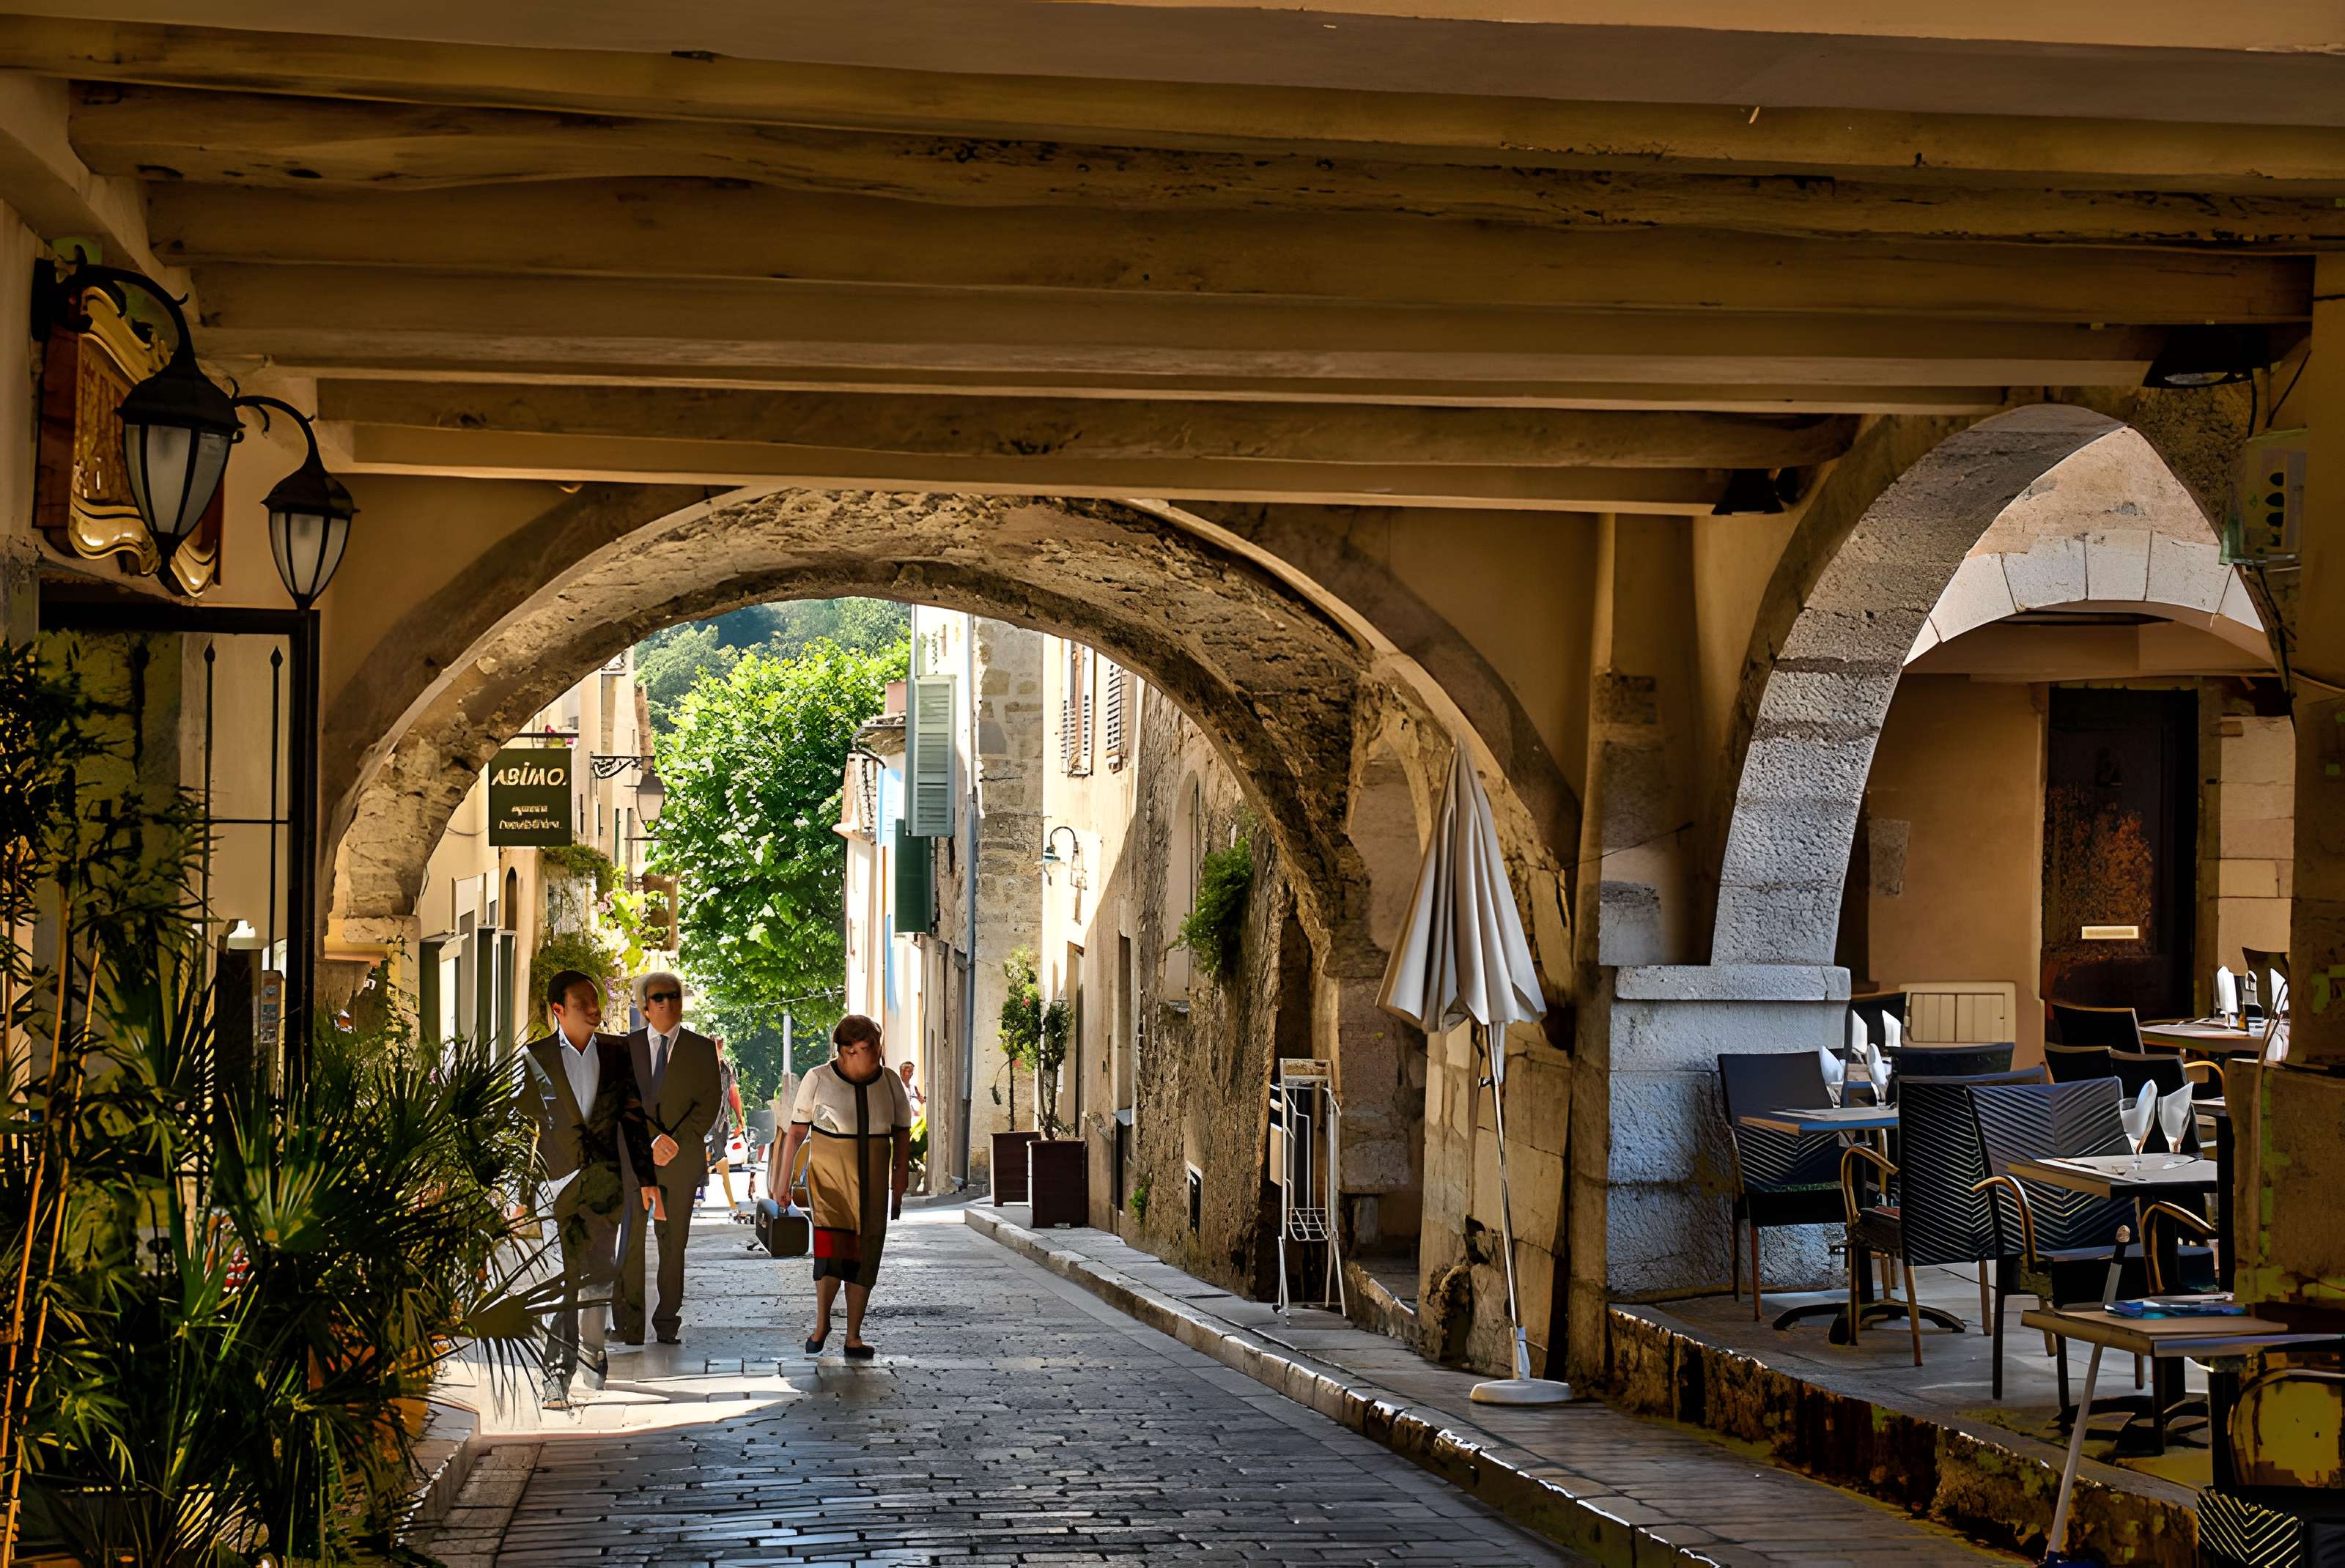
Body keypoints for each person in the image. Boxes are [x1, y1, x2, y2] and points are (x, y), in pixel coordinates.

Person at [522, 970, 660, 1409]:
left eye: (596, 1000)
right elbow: (520, 1130)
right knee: (561, 1280)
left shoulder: (618, 1052)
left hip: (605, 1184)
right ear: (558, 1010)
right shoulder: (534, 1058)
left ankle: (592, 1348)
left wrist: (647, 1179)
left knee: (597, 1277)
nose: (594, 1008)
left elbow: (634, 1120)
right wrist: (516, 1195)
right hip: (554, 1183)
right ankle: (555, 1375)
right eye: (583, 1002)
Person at [772, 1014, 912, 1359]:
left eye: (875, 1046)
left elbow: (902, 1132)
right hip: (830, 1179)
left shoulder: (891, 1081)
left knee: (867, 1252)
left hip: (874, 1181)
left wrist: (899, 1178)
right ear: (847, 1050)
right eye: (868, 1048)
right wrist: (782, 1181)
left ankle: (854, 1336)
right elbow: (795, 1133)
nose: (877, 1053)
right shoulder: (818, 1078)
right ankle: (822, 1324)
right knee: (831, 1250)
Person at [616, 970, 720, 1347]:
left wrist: (675, 1141)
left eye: (674, 996)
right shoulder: (625, 1049)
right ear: (644, 1007)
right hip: (634, 1160)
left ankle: (667, 1319)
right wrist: (651, 1140)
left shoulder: (701, 1049)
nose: (668, 1003)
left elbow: (710, 1103)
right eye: (659, 998)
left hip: (682, 1160)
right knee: (630, 1241)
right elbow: (618, 1104)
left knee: (673, 1243)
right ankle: (629, 1322)